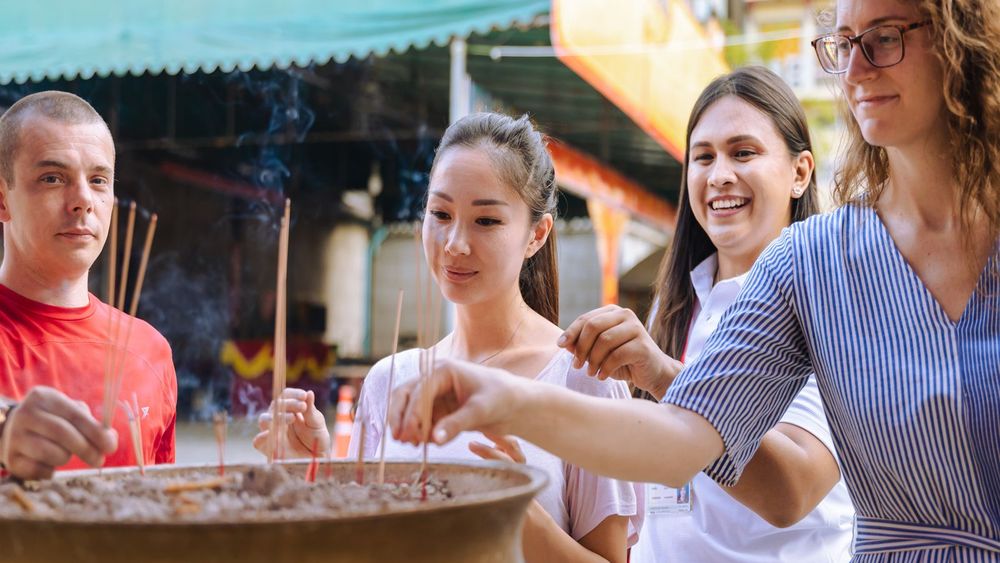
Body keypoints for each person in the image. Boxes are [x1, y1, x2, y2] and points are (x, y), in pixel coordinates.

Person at [389, 0, 1000, 560]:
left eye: (886, 38)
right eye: (843, 44)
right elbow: (686, 438)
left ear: (963, 38)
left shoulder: (798, 268)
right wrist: (505, 399)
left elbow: (788, 487)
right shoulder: (808, 261)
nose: (857, 69)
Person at [254, 112, 641, 563]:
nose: (455, 243)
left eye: (486, 221)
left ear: (537, 234)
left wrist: (519, 510)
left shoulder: (583, 380)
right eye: (440, 214)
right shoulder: (390, 381)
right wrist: (316, 472)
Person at [573, 66, 854, 562]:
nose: (719, 174)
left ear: (800, 172)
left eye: (743, 152)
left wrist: (663, 377)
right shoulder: (679, 298)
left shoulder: (827, 295)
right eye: (703, 157)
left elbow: (794, 490)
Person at [0, 91, 177, 480]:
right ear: (2, 199)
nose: (83, 200)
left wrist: (297, 463)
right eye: (52, 178)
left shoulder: (150, 351)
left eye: (98, 180)